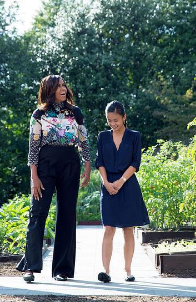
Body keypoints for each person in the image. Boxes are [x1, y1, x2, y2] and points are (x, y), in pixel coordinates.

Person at [16, 75, 92, 283]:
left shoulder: (75, 113)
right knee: (37, 213)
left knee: (67, 215)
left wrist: (87, 166)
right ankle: (30, 267)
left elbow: (83, 140)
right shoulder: (39, 114)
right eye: (58, 86)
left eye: (64, 85)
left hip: (70, 163)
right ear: (49, 89)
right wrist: (34, 177)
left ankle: (63, 269)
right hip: (45, 165)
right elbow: (33, 146)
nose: (63, 88)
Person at [95, 101, 150, 283]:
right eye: (109, 120)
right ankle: (105, 270)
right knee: (108, 228)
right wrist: (107, 183)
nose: (112, 123)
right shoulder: (102, 137)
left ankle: (128, 270)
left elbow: (136, 163)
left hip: (128, 185)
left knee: (128, 229)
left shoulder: (135, 136)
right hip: (108, 185)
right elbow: (100, 162)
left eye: (116, 120)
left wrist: (121, 181)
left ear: (124, 117)